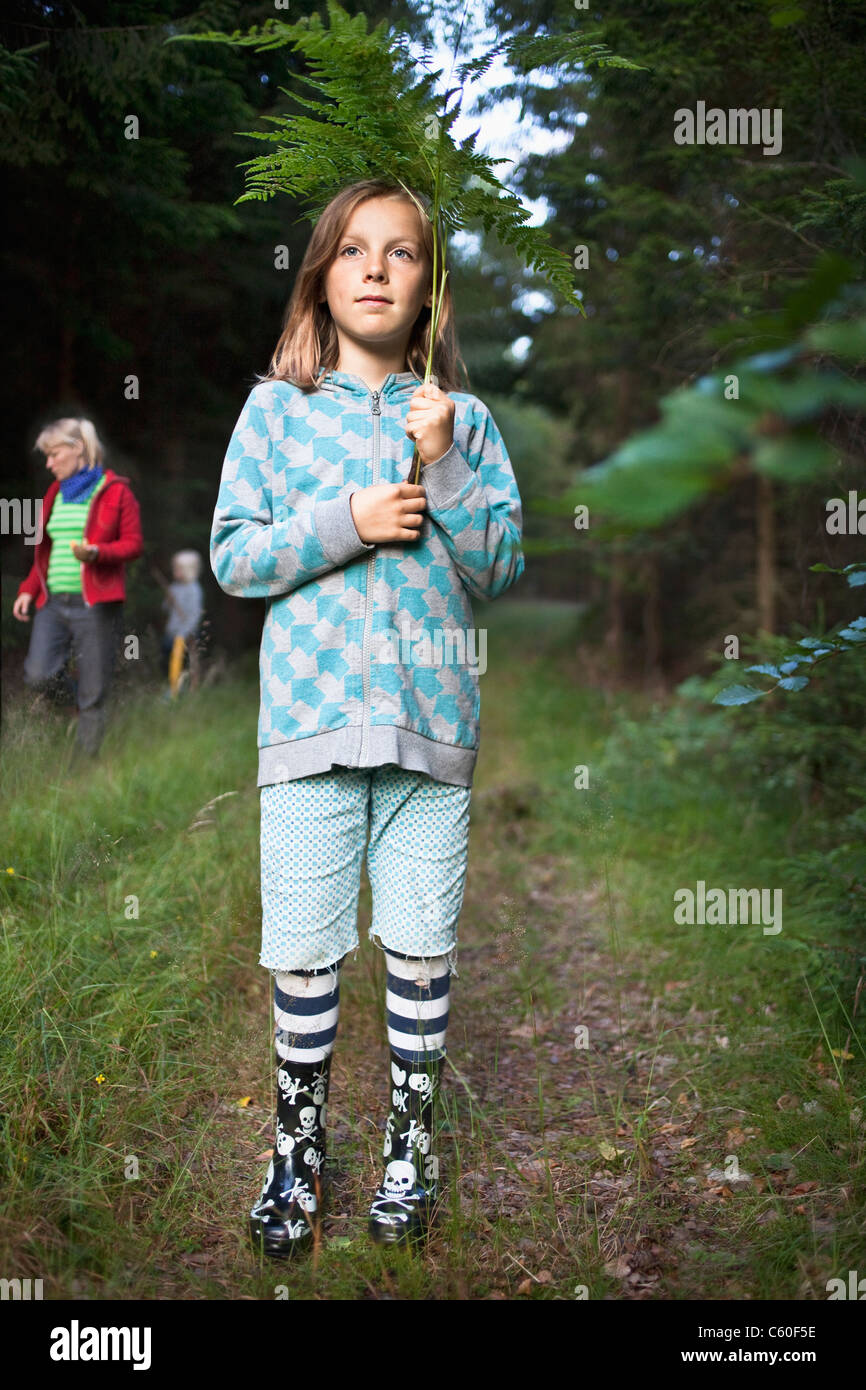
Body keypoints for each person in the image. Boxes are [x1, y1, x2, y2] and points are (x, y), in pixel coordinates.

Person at [210, 178, 525, 1259]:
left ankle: (408, 1143)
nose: (377, 268)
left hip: (430, 729)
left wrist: (438, 463)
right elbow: (235, 554)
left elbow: (497, 565)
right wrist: (345, 519)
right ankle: (297, 1149)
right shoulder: (274, 411)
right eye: (354, 250)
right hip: (304, 728)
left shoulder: (463, 421)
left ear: (428, 286)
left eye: (401, 252)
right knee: (304, 948)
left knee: (420, 944)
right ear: (322, 277)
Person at [12, 417, 143, 759]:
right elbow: (45, 549)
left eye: (54, 454)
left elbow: (133, 545)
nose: (49, 463)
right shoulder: (54, 493)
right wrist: (28, 588)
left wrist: (98, 553)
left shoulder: (116, 492)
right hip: (52, 602)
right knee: (38, 675)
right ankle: (82, 711)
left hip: (96, 604)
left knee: (94, 689)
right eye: (47, 456)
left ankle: (84, 769)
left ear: (78, 448)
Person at [159, 549, 204, 692]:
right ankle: (171, 687)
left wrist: (185, 633)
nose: (175, 571)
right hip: (171, 632)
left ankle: (179, 690)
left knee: (181, 663)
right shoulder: (174, 587)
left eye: (178, 568)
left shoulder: (194, 590)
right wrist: (169, 600)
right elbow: (165, 608)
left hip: (185, 633)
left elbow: (194, 615)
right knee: (166, 661)